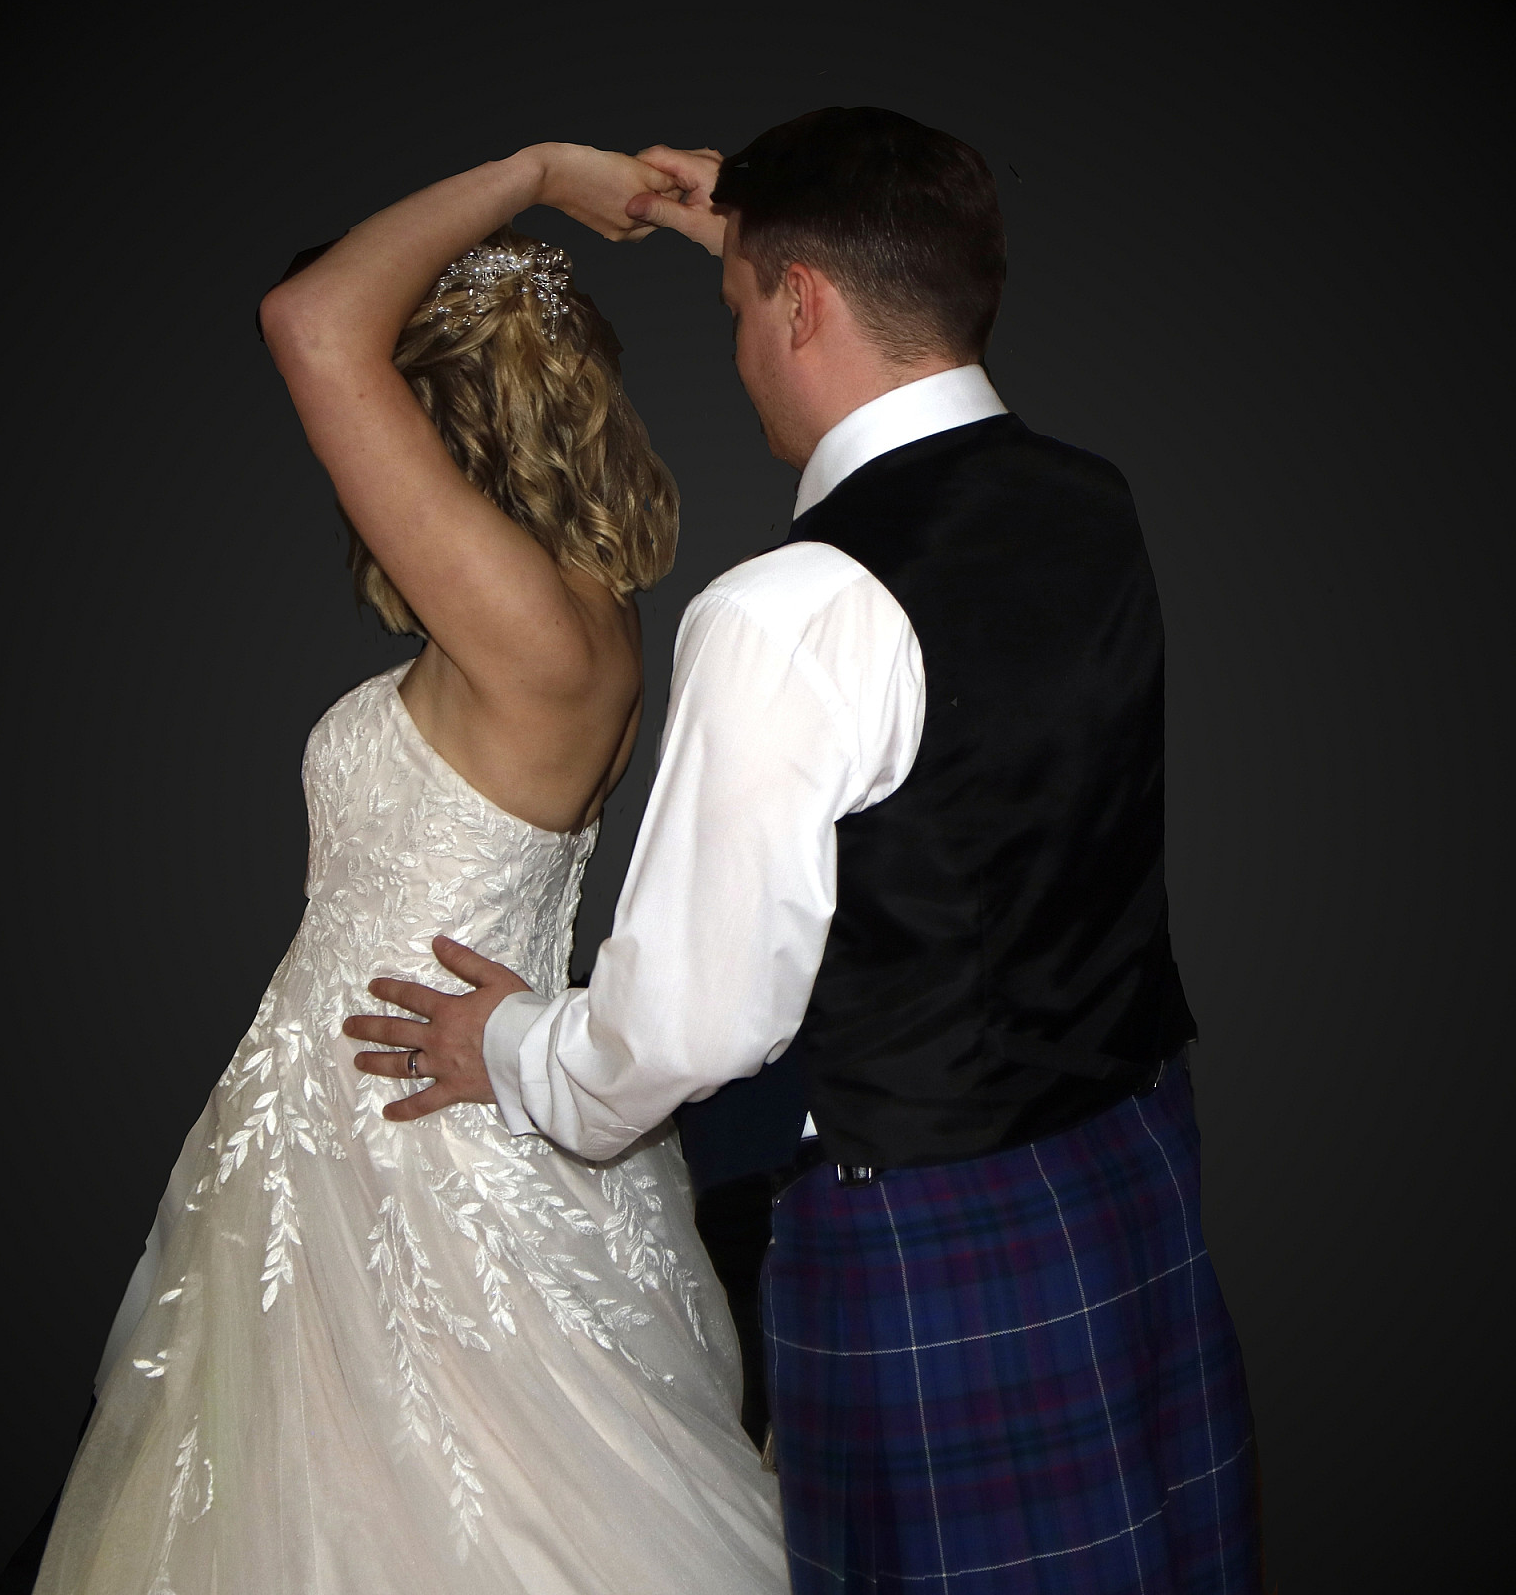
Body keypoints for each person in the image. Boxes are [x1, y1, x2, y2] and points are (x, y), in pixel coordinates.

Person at [357, 109, 1263, 1593]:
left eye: (740, 306)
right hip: (1133, 1170)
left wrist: (511, 1044)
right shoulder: (1092, 497)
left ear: (801, 303)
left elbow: (688, 1030)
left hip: (929, 1236)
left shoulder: (785, 611)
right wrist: (771, 229)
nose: (738, 350)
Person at [32, 143, 788, 1595]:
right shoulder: (574, 612)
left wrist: (541, 169)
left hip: (406, 1169)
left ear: (430, 410)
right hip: (350, 1147)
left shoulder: (531, 629)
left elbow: (312, 321)